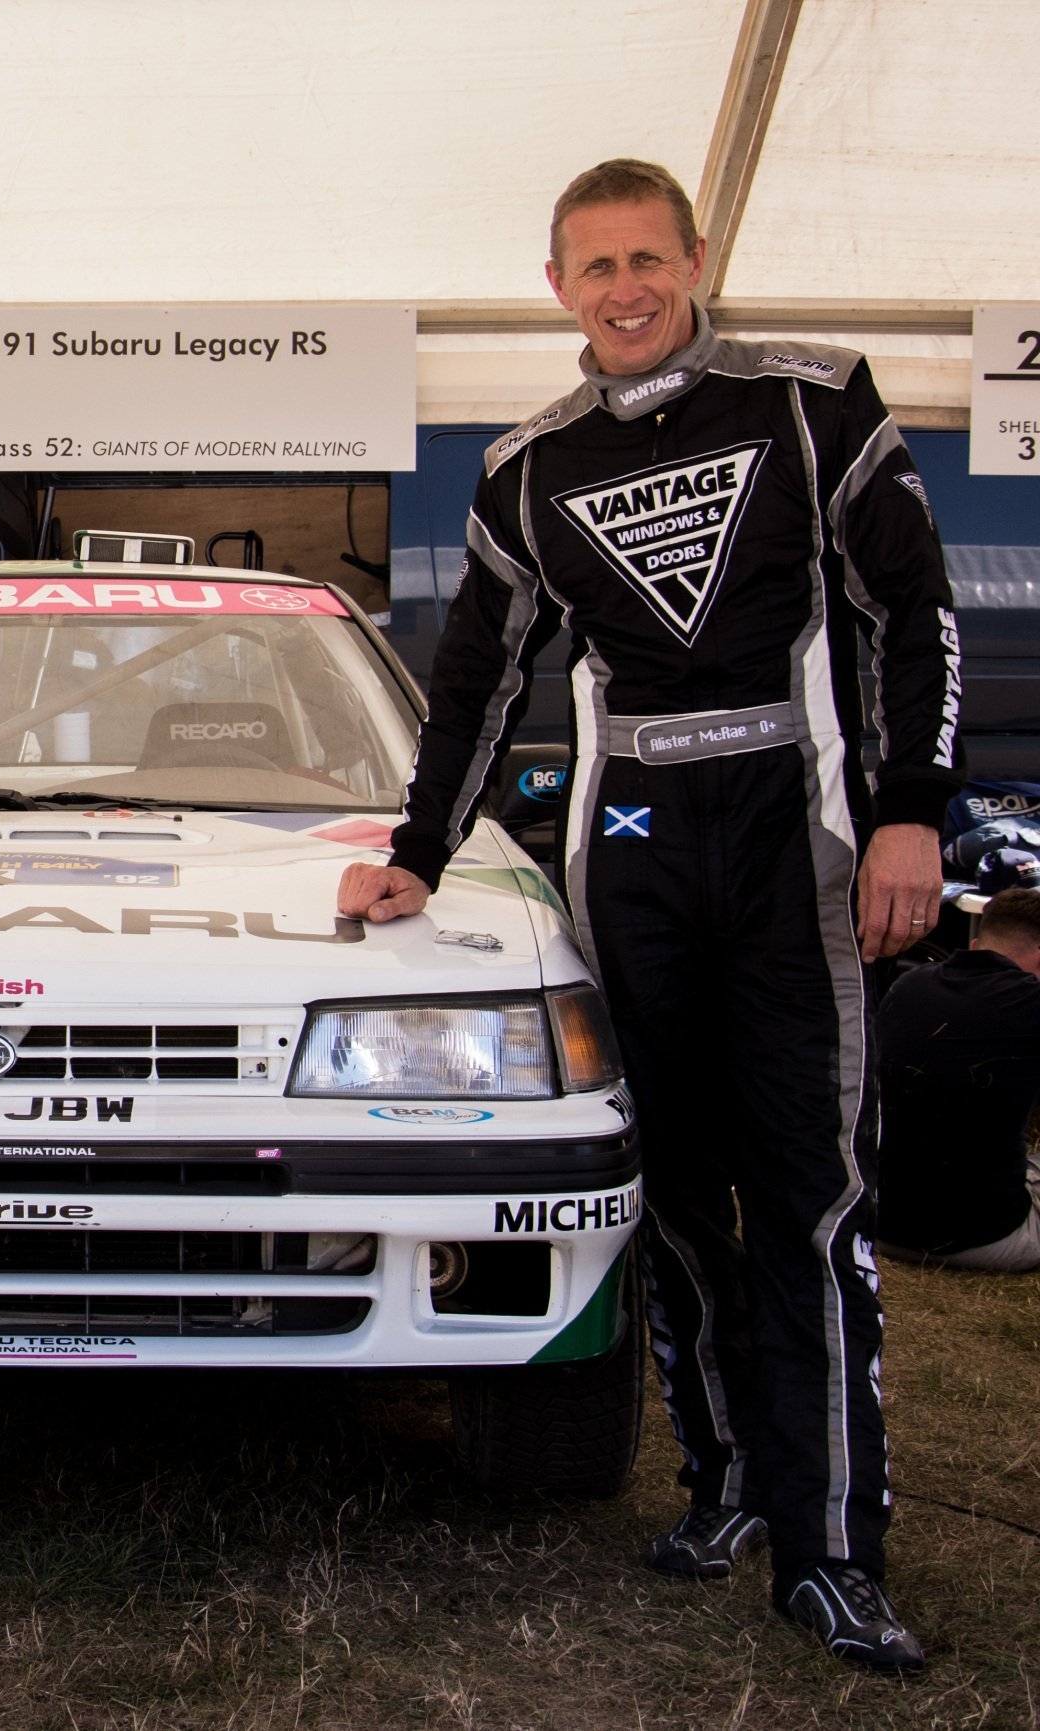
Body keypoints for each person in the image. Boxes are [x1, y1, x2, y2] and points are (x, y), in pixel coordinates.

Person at [339, 158, 963, 1671]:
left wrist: (908, 812)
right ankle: (730, 1482)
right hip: (628, 845)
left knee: (810, 1194)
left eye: (648, 258)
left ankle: (832, 1548)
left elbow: (909, 604)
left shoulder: (812, 401)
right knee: (673, 1190)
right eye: (595, 266)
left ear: (696, 257)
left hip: (794, 831)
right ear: (556, 286)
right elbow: (481, 677)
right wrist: (422, 847)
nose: (626, 288)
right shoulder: (525, 469)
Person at [876, 887, 1040, 1271]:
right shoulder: (1032, 1003)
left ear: (978, 942)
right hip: (984, 1239)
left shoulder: (908, 985)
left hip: (883, 1221)